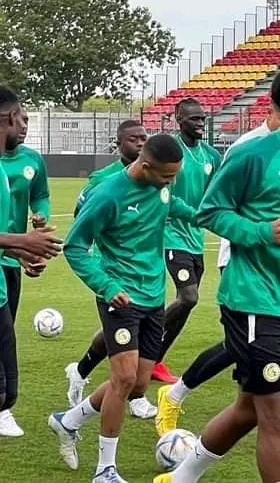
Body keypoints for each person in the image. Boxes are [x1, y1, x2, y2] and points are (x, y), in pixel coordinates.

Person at [153, 64, 280, 483]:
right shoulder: (252, 154)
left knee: (247, 409)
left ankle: (179, 478)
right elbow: (210, 210)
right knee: (274, 417)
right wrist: (259, 231)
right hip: (252, 297)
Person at [48, 133, 196, 483]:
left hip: (153, 296)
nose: (171, 183)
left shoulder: (161, 187)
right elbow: (75, 247)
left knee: (138, 385)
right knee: (124, 378)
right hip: (120, 296)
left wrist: (223, 219)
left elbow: (183, 209)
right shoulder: (108, 196)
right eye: (166, 176)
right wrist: (107, 286)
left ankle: (67, 421)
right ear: (144, 166)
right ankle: (105, 470)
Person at [64, 120, 158, 419]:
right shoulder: (102, 181)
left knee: (120, 345)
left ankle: (81, 373)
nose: (141, 144)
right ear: (120, 144)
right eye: (134, 139)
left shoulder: (157, 177)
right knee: (122, 354)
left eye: (145, 138)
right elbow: (84, 218)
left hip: (147, 280)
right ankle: (89, 382)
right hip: (114, 273)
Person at [0, 87, 63, 439]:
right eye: (21, 117)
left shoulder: (31, 160)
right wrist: (22, 243)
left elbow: (40, 195)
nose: (24, 125)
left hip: (7, 258)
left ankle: (4, 409)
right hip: (11, 247)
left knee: (6, 329)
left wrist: (37, 224)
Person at [153, 98, 221, 384]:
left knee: (188, 303)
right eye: (193, 119)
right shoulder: (171, 151)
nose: (200, 124)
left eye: (202, 119)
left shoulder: (211, 156)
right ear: (178, 119)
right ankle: (148, 343)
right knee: (188, 296)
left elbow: (217, 192)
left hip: (196, 238)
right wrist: (195, 214)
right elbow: (163, 191)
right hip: (171, 234)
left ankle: (155, 358)